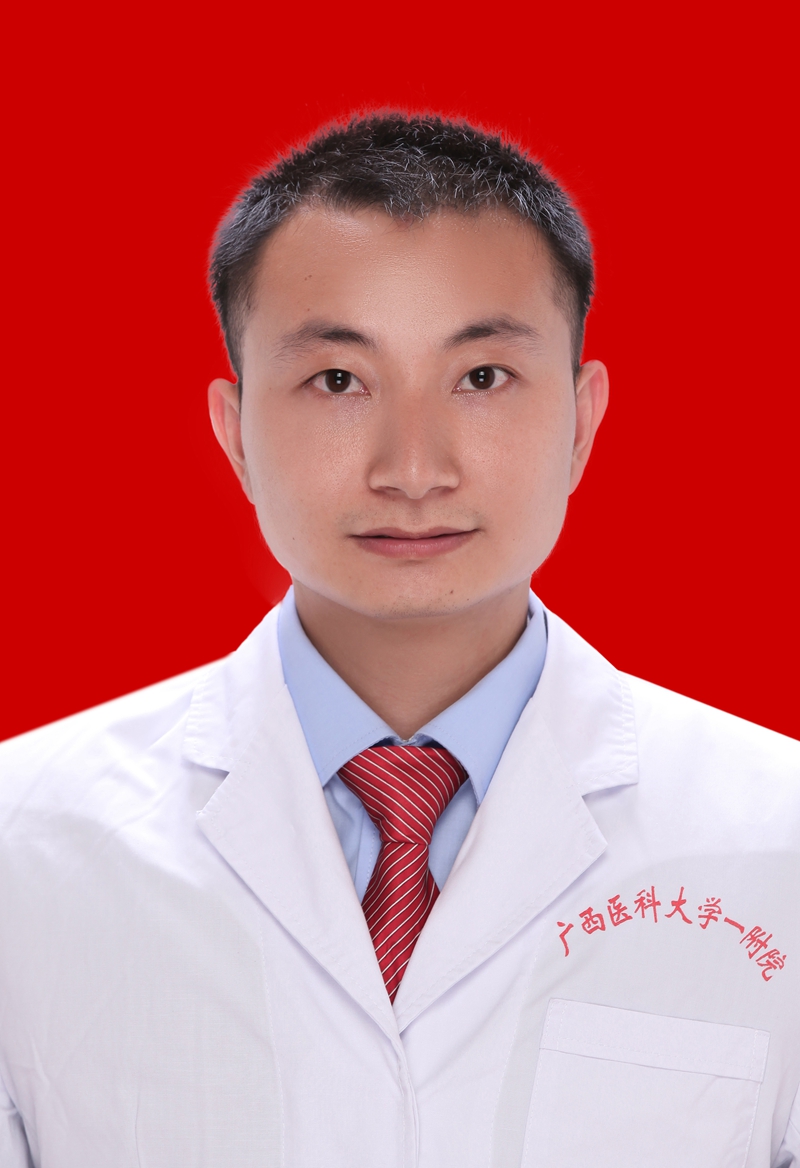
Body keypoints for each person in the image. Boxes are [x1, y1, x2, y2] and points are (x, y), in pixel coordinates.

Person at [0, 113, 798, 1168]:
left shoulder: (776, 837)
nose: (412, 469)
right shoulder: (26, 841)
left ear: (581, 420)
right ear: (234, 433)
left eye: (481, 378)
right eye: (338, 380)